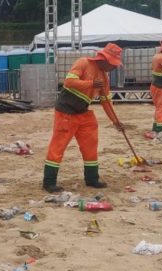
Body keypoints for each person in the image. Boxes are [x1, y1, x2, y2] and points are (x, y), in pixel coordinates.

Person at [43, 43, 124, 193]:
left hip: (83, 113)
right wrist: (91, 83)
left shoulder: (104, 78)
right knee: (58, 147)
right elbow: (68, 82)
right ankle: (49, 182)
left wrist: (115, 121)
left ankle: (92, 178)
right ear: (105, 59)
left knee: (90, 145)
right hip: (66, 112)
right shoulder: (83, 63)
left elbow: (106, 101)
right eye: (113, 64)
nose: (114, 68)